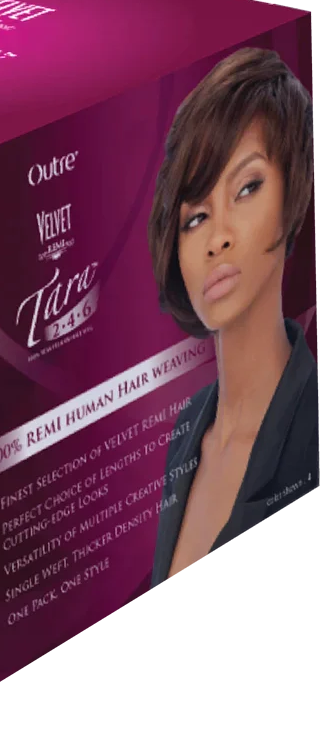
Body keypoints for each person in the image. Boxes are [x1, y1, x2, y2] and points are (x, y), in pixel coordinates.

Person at [147, 48, 321, 590]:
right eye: (195, 217)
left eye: (247, 188)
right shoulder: (186, 431)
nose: (217, 237)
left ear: (293, 192)